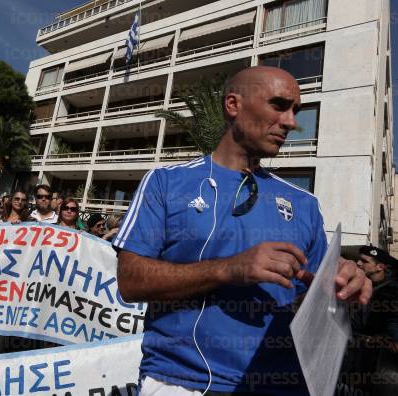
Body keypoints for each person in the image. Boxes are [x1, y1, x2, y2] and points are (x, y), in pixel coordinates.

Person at [114, 66, 372, 395]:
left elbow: (312, 300)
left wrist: (342, 285)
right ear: (233, 105)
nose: (292, 122)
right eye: (279, 106)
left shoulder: (304, 204)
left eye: (295, 110)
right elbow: (131, 280)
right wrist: (230, 268)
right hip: (183, 382)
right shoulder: (166, 183)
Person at [339, 245, 398, 395]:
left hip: (377, 366)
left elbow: (394, 317)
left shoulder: (391, 290)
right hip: (354, 358)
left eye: (364, 261)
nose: (358, 263)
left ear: (380, 267)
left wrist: (395, 337)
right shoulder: (364, 285)